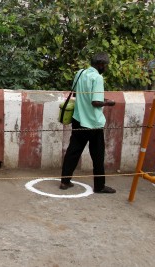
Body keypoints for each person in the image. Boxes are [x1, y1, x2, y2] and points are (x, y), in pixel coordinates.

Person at [60, 52, 116, 193]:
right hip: (93, 123)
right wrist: (109, 103)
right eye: (105, 65)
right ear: (101, 65)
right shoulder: (97, 78)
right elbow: (96, 102)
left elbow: (75, 94)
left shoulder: (80, 73)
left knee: (73, 151)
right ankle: (99, 186)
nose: (106, 68)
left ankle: (65, 182)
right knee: (97, 156)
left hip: (78, 120)